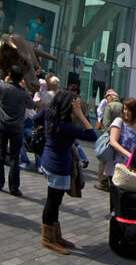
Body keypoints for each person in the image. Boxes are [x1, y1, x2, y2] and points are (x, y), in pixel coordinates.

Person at [38, 89, 98, 253]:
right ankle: (48, 238)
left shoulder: (50, 116)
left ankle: (55, 236)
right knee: (53, 202)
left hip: (49, 161)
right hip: (58, 166)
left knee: (54, 201)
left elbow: (36, 116)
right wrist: (79, 114)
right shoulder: (65, 127)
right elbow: (93, 135)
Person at [0, 67, 34, 196]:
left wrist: (5, 82)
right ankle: (14, 187)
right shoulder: (23, 93)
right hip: (17, 127)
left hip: (3, 125)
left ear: (10, 75)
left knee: (0, 153)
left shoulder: (3, 88)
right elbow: (31, 105)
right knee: (14, 157)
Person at [108, 97, 136, 180]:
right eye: (124, 109)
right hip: (117, 167)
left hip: (133, 171)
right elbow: (113, 142)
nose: (125, 112)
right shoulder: (119, 121)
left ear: (135, 112)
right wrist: (129, 155)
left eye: (128, 110)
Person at [94, 88, 123, 190]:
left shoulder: (109, 106)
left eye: (107, 98)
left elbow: (106, 124)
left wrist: (104, 136)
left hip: (109, 136)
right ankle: (113, 183)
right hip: (119, 136)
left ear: (111, 97)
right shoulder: (122, 106)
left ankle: (103, 182)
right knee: (114, 160)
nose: (107, 100)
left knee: (103, 158)